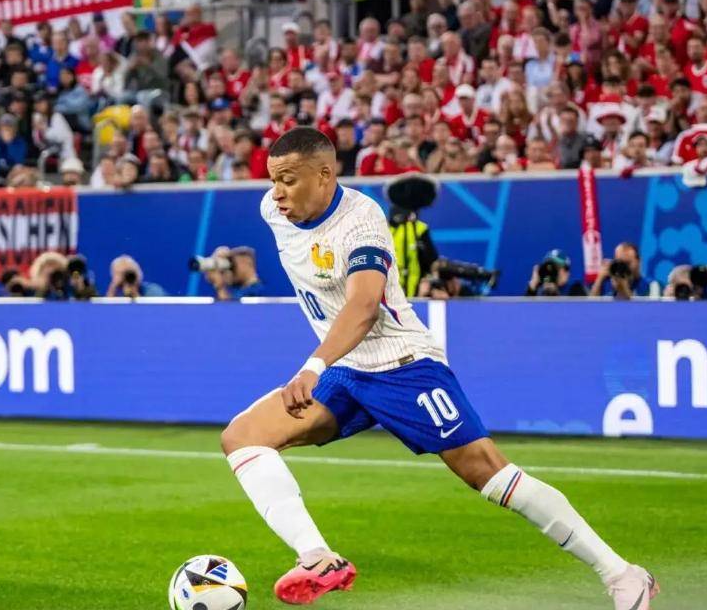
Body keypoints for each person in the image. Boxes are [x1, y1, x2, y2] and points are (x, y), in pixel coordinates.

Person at [219, 127, 658, 609]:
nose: (277, 192)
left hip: (402, 366)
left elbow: (364, 306)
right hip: (346, 370)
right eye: (273, 180)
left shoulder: (361, 221)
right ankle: (318, 557)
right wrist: (325, 365)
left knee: (488, 474)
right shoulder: (273, 210)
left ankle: (623, 575)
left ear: (325, 175)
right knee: (243, 437)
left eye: (288, 180)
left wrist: (313, 367)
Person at [589, 242, 659, 299]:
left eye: (627, 263)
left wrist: (624, 289)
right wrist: (599, 279)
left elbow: (649, 310)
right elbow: (590, 309)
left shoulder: (651, 286)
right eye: (620, 263)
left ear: (639, 261)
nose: (623, 268)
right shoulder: (608, 285)